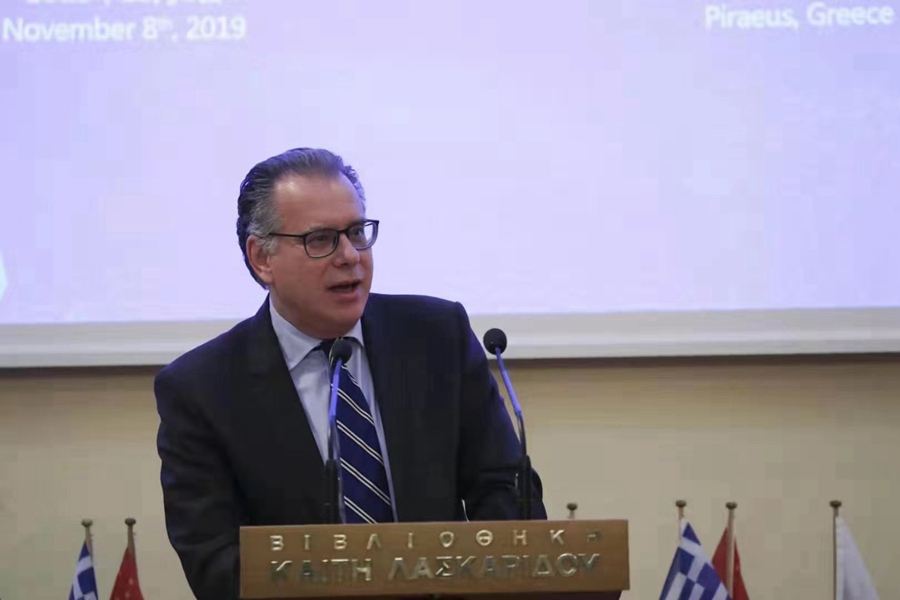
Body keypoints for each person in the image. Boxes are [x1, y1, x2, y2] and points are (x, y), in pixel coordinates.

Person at [154, 147, 547, 600]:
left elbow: (503, 488)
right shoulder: (202, 389)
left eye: (357, 232)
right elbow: (216, 563)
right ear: (262, 259)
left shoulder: (438, 337)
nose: (349, 255)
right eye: (320, 239)